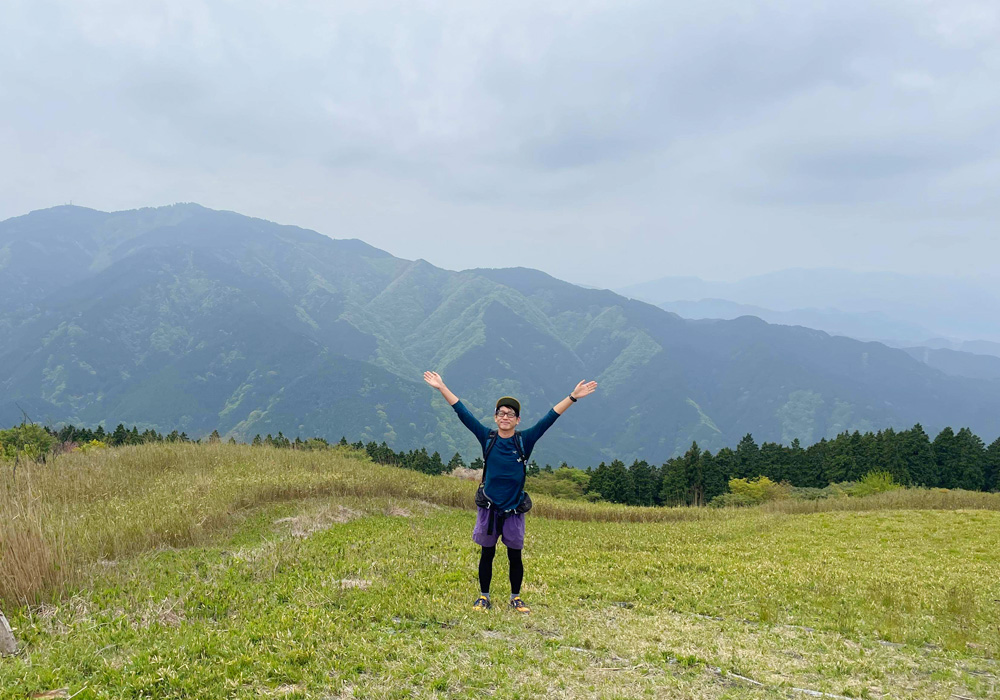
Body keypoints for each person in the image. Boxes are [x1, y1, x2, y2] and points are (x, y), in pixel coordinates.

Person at [423, 371, 597, 613]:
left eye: (510, 414)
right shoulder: (487, 437)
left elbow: (550, 417)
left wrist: (573, 397)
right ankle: (484, 597)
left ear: (518, 420)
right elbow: (462, 412)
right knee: (487, 553)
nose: (505, 417)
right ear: (495, 418)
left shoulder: (525, 440)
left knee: (515, 555)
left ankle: (516, 598)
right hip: (489, 507)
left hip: (514, 508)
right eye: (501, 413)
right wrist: (442, 387)